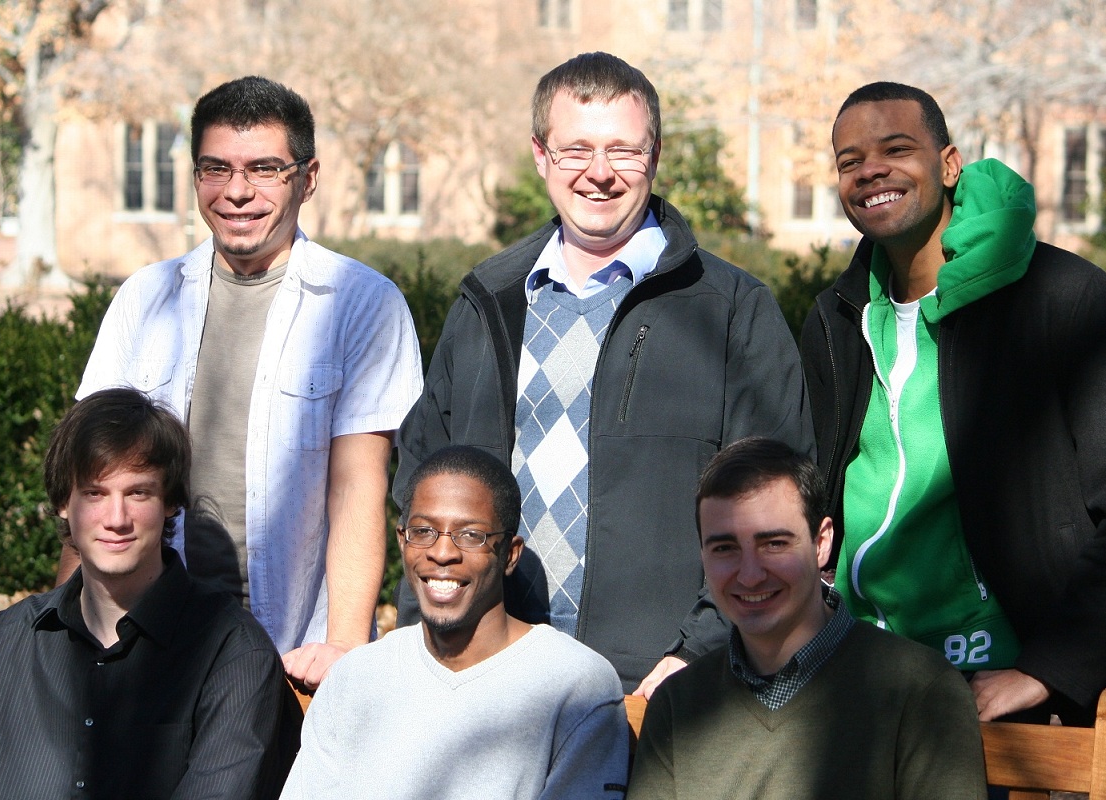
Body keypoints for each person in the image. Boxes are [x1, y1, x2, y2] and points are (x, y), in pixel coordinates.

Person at [393, 51, 813, 696]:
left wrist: (698, 651)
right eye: (575, 150)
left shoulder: (730, 309)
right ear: (541, 156)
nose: (598, 174)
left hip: (657, 683)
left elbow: (779, 504)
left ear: (655, 155)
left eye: (623, 150)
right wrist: (426, 636)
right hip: (486, 670)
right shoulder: (489, 301)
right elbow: (422, 481)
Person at [74, 76, 423, 688]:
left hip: (292, 647)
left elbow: (359, 487)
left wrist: (341, 644)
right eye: (217, 169)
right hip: (148, 637)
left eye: (264, 169)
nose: (238, 191)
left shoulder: (362, 303)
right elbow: (93, 480)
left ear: (307, 178)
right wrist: (70, 635)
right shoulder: (144, 300)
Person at [801, 81, 1106, 724]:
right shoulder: (836, 318)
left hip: (1000, 693)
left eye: (896, 148)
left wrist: (1048, 670)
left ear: (949, 163)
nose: (870, 171)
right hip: (861, 679)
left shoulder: (1063, 299)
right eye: (849, 161)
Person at [0, 388, 301, 799]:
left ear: (170, 502)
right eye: (95, 493)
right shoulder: (7, 641)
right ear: (64, 502)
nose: (116, 519)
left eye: (138, 493)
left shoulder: (233, 654)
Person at [628, 437, 986, 799]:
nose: (750, 575)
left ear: (821, 543)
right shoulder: (678, 704)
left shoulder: (920, 690)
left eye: (775, 544)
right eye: (725, 548)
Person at [281, 445, 629, 799]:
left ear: (510, 554)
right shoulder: (354, 678)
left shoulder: (576, 685)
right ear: (402, 541)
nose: (443, 552)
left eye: (470, 535)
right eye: (424, 531)